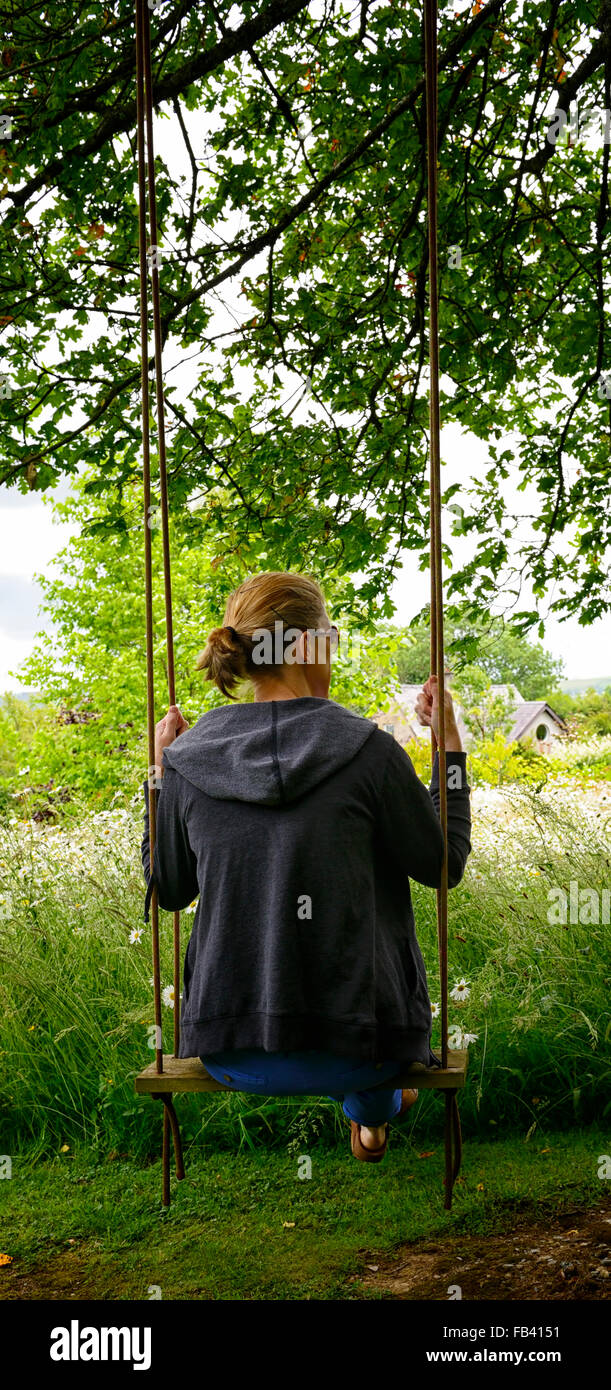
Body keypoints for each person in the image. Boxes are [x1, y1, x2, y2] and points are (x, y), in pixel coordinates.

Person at [141, 571, 472, 1163]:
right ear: (306, 646)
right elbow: (442, 867)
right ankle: (374, 1115)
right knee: (374, 1068)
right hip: (363, 1049)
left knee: (365, 1059)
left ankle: (372, 1119)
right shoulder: (369, 751)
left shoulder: (186, 760)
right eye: (332, 635)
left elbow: (167, 888)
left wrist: (160, 775)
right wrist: (447, 745)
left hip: (230, 1051)